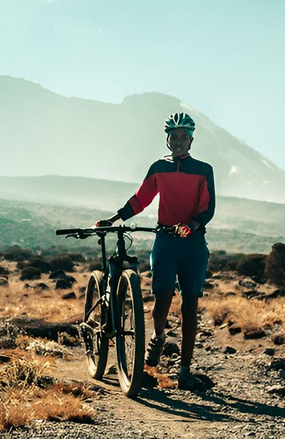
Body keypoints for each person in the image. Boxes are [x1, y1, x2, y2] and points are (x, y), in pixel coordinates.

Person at [98, 112, 215, 390]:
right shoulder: (158, 168)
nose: (178, 141)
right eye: (174, 136)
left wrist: (192, 225)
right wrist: (115, 219)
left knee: (190, 307)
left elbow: (207, 207)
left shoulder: (203, 169)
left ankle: (184, 372)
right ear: (168, 139)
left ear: (191, 140)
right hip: (165, 241)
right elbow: (141, 199)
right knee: (161, 299)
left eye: (184, 137)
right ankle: (158, 337)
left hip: (193, 243)